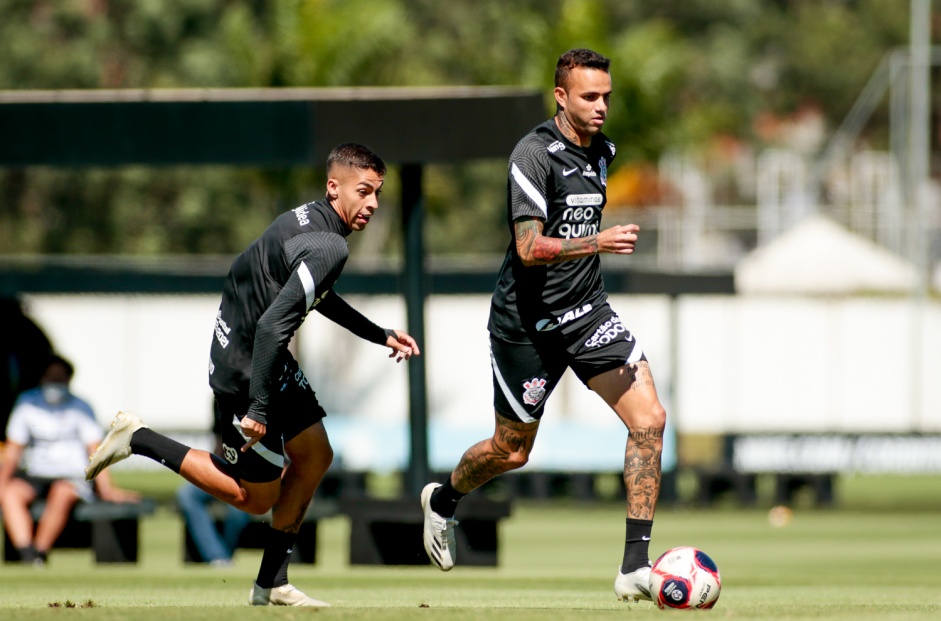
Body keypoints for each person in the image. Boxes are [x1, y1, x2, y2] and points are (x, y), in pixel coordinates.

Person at [85, 143, 419, 607]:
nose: (373, 205)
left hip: (260, 355)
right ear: (333, 186)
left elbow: (310, 295)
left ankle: (272, 585)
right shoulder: (331, 245)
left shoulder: (307, 220)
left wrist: (378, 333)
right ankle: (139, 438)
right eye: (364, 192)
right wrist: (258, 407)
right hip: (249, 369)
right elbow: (270, 325)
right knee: (256, 499)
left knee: (316, 455)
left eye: (377, 194)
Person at [420, 49, 667, 605]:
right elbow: (529, 249)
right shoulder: (532, 156)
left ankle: (634, 564)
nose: (602, 106)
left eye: (606, 96)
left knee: (649, 419)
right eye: (589, 96)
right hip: (526, 327)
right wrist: (598, 242)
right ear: (561, 97)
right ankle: (443, 500)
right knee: (511, 452)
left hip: (588, 314)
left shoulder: (603, 152)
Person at [0, 354, 139, 566]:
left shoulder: (81, 407)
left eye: (59, 378)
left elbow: (96, 451)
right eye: (51, 377)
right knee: (10, 493)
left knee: (62, 493)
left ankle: (40, 552)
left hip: (71, 476)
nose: (55, 383)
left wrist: (107, 489)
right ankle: (26, 551)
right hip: (36, 475)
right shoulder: (26, 404)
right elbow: (13, 451)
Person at [177, 411, 251, 568]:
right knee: (187, 494)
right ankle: (218, 558)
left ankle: (223, 557)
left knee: (239, 507)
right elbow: (220, 442)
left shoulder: (263, 394)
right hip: (228, 472)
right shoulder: (220, 394)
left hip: (255, 476)